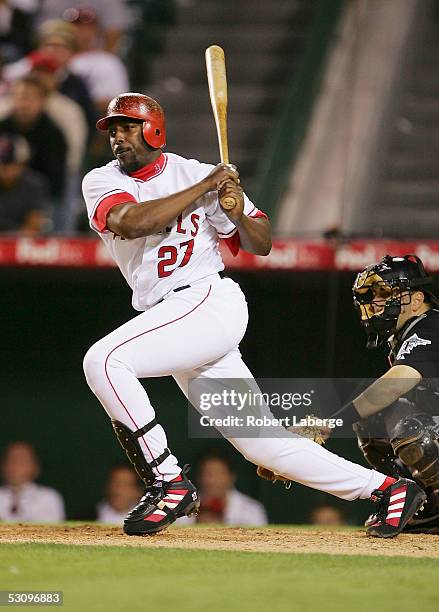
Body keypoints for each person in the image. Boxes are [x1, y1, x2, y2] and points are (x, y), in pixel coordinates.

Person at [82, 92, 425, 539]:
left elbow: (262, 241)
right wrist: (208, 188)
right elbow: (131, 222)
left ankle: (167, 481)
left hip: (206, 302)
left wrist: (237, 209)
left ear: (153, 130)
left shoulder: (196, 173)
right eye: (113, 129)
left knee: (104, 361)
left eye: (127, 126)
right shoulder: (104, 180)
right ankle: (387, 489)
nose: (118, 137)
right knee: (262, 443)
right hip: (175, 317)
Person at [341, 254, 439, 533]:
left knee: (413, 428)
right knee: (372, 417)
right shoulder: (406, 334)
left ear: (417, 300)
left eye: (385, 293)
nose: (376, 302)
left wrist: (331, 423)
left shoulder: (431, 326)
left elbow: (395, 384)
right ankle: (428, 507)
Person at [0, 75, 67, 204]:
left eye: (29, 98)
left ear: (43, 101)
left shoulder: (53, 135)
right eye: (18, 97)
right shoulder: (3, 127)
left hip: (38, 200)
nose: (23, 104)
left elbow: (55, 182)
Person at [179, 450, 268, 526]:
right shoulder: (183, 505)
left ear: (231, 476)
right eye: (207, 474)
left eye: (218, 473)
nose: (211, 481)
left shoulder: (252, 510)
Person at [0, 441, 65, 522]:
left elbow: (51, 530)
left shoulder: (48, 497)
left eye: (22, 461)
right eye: (11, 459)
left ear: (35, 467)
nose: (15, 465)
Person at [0, 133, 48, 233]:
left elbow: (33, 228)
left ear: (22, 164)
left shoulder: (34, 185)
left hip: (18, 241)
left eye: (11, 164)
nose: (5, 170)